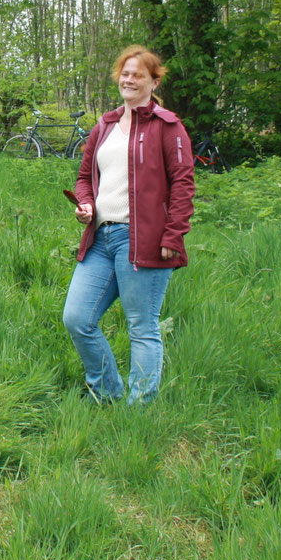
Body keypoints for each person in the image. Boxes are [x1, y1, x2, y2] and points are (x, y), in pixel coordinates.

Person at [64, 45, 195, 405]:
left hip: (145, 240)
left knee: (142, 327)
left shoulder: (168, 127)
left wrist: (173, 234)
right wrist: (86, 203)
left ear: (154, 81)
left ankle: (139, 409)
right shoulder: (103, 126)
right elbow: (84, 177)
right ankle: (107, 392)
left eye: (138, 74)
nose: (129, 79)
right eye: (125, 72)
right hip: (101, 239)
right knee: (77, 318)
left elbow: (184, 184)